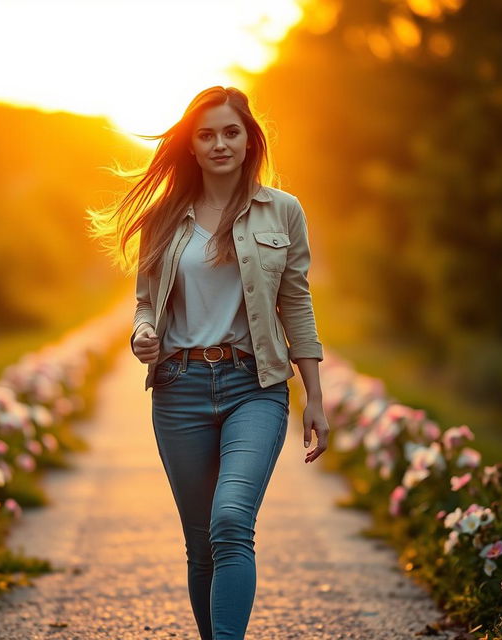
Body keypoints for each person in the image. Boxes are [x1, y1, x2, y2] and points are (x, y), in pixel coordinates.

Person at [88, 85, 330, 640]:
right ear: (191, 146)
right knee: (201, 544)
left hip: (256, 385)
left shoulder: (283, 211)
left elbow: (296, 301)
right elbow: (147, 306)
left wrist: (314, 396)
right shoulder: (164, 219)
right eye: (206, 134)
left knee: (230, 524)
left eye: (230, 132)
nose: (219, 143)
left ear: (249, 142)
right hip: (180, 387)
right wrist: (143, 334)